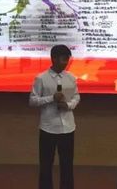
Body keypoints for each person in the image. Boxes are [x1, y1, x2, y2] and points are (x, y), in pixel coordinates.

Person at [29, 45, 80, 189]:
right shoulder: (41, 78)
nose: (66, 63)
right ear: (54, 59)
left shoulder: (71, 78)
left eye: (67, 59)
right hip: (48, 128)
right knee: (46, 165)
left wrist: (68, 105)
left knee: (67, 165)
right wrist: (51, 98)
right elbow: (32, 100)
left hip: (68, 128)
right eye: (63, 59)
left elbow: (76, 96)